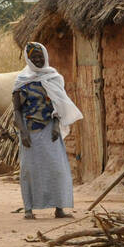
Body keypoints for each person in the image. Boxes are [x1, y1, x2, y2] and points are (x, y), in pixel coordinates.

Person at [12, 41, 83, 220]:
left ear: (45, 56)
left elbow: (58, 105)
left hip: (50, 131)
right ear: (28, 59)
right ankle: (28, 209)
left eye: (40, 56)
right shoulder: (22, 82)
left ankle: (59, 209)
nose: (38, 59)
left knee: (57, 169)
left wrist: (57, 126)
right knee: (30, 170)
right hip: (30, 133)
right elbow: (17, 111)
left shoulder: (54, 77)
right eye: (33, 57)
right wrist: (23, 132)